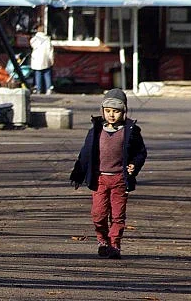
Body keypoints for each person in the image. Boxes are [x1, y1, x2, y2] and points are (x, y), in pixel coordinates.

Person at [69, 88, 147, 259]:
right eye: (108, 111)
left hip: (120, 179)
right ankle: (102, 240)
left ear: (124, 112)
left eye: (116, 111)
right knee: (98, 214)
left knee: (118, 215)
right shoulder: (96, 131)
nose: (112, 115)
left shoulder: (131, 131)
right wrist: (78, 174)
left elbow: (140, 152)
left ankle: (114, 245)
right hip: (100, 179)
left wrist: (134, 165)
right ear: (102, 111)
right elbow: (85, 154)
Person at [29, 23, 55, 94]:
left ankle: (38, 89)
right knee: (47, 74)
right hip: (46, 59)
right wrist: (51, 59)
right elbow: (51, 50)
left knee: (38, 74)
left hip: (37, 59)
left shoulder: (34, 39)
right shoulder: (47, 39)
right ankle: (49, 88)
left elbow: (32, 45)